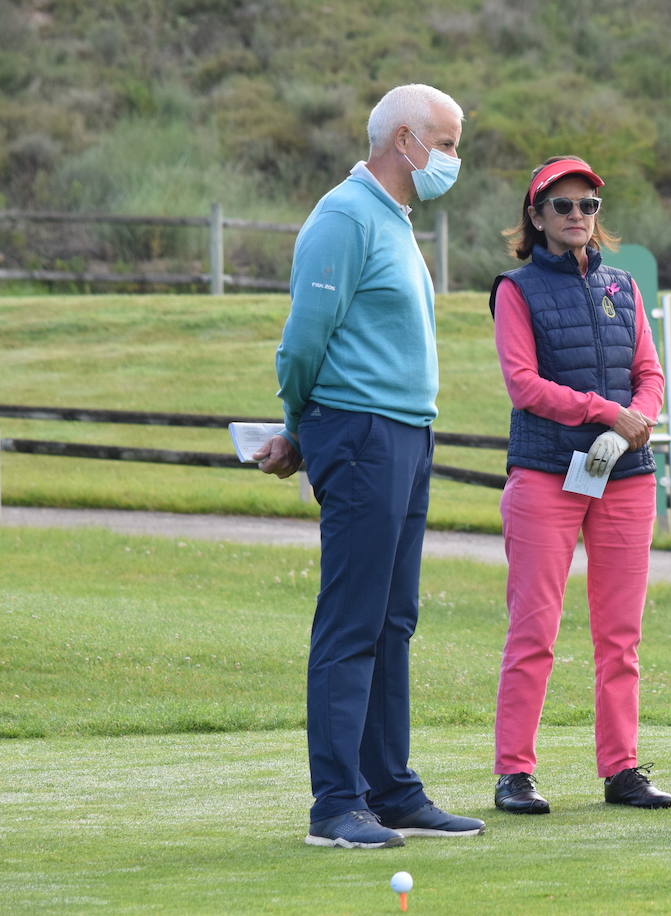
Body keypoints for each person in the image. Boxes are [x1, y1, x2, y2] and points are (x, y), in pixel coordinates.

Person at [254, 83, 485, 849]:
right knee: (353, 621)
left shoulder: (393, 220)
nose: (453, 159)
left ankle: (390, 790)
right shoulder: (346, 217)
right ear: (404, 140)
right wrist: (296, 429)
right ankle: (335, 806)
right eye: (447, 143)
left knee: (394, 620)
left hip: (408, 434)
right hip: (358, 432)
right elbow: (302, 341)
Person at [488, 156, 671, 814]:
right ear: (535, 217)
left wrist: (638, 420)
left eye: (587, 206)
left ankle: (621, 769)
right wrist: (605, 412)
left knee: (620, 637)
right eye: (561, 206)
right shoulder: (515, 289)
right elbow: (524, 385)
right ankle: (514, 772)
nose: (576, 217)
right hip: (545, 474)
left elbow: (649, 374)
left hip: (625, 476)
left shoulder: (622, 287)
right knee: (534, 630)